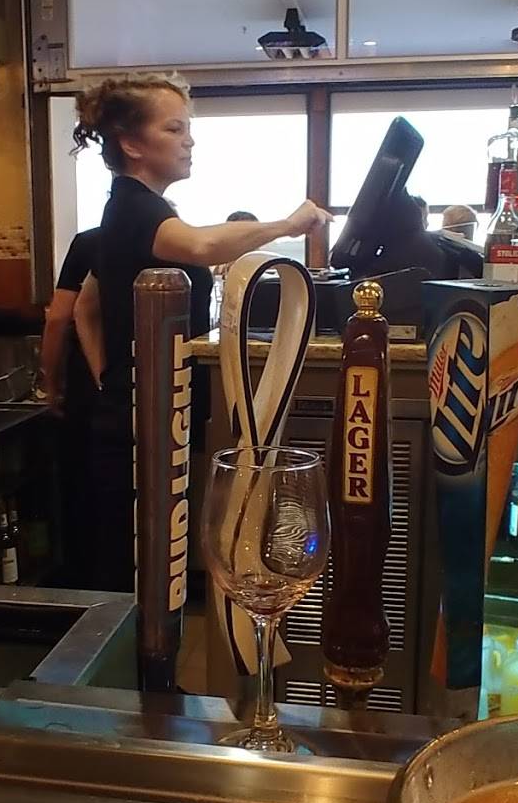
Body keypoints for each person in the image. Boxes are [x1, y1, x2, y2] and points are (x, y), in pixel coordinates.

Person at [72, 73, 330, 592]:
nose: (188, 141)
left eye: (187, 129)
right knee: (137, 565)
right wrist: (287, 225)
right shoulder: (135, 206)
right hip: (139, 418)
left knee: (149, 560)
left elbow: (85, 306)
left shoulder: (134, 208)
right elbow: (200, 247)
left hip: (144, 409)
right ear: (132, 144)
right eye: (173, 129)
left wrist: (109, 377)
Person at [40, 228, 100, 586]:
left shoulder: (90, 243)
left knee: (83, 486)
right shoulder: (178, 246)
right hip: (159, 382)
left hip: (90, 388)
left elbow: (58, 317)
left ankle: (86, 584)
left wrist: (50, 382)